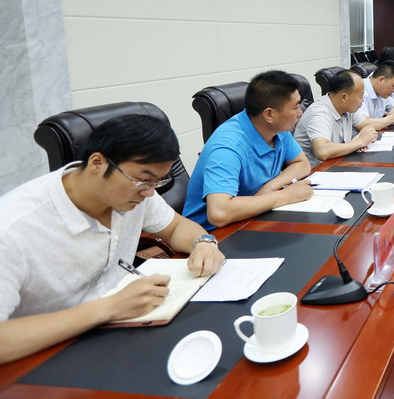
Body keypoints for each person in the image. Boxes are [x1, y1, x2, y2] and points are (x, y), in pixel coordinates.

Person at [0, 114, 226, 364]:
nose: (149, 192)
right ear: (97, 163)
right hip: (45, 356)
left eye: (158, 181)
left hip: (123, 333)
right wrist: (110, 307)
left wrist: (203, 242)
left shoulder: (136, 194)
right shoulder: (12, 229)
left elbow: (174, 227)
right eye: (143, 180)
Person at [184, 70, 313, 230]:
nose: (300, 112)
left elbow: (302, 164)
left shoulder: (279, 129)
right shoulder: (227, 147)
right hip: (214, 234)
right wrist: (285, 195)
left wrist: (270, 188)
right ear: (269, 114)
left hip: (254, 217)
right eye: (295, 107)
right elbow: (219, 213)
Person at [294, 70, 379, 167]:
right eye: (360, 96)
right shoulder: (319, 113)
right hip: (315, 171)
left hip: (338, 164)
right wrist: (360, 142)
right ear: (344, 97)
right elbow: (322, 151)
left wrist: (361, 137)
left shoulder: (348, 108)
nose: (363, 100)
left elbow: (367, 125)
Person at [358, 61, 394, 130]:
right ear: (381, 80)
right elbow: (363, 124)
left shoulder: (382, 91)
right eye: (393, 86)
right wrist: (393, 118)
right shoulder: (360, 91)